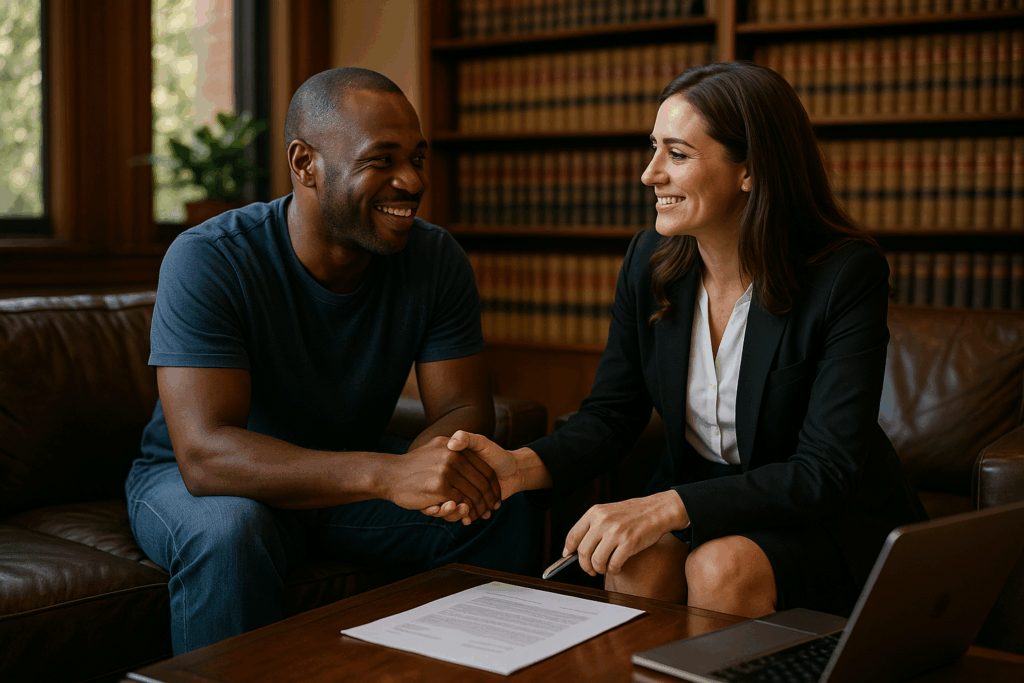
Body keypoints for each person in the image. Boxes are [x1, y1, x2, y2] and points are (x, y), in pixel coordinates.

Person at [435, 62, 928, 619]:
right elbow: (611, 415)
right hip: (704, 495)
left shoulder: (845, 274)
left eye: (677, 154)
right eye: (653, 149)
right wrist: (518, 467)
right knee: (631, 560)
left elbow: (826, 469)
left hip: (822, 516)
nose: (649, 174)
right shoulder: (647, 262)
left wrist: (666, 507)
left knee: (720, 568)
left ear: (750, 170)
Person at [125, 67, 537, 655]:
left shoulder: (434, 258)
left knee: (494, 502)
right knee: (231, 531)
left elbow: (466, 407)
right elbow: (205, 455)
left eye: (418, 158)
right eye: (381, 160)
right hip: (203, 485)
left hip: (344, 483)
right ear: (304, 164)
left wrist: (431, 472)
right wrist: (387, 475)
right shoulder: (209, 258)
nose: (411, 181)